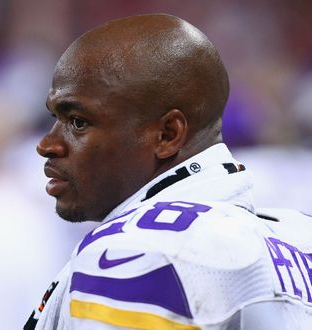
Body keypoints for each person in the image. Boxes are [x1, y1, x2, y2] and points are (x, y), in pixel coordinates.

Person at [25, 14, 312, 329]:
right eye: (55, 117)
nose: (47, 144)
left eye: (78, 122)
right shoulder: (297, 236)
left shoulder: (138, 248)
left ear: (167, 134)